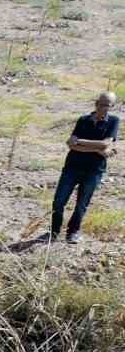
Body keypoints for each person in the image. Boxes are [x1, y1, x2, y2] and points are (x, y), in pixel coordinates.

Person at [51, 91, 119, 245]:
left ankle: (73, 233)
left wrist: (81, 142)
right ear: (96, 103)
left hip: (94, 170)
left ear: (112, 106)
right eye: (101, 104)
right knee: (58, 202)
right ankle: (53, 232)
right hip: (72, 167)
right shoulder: (83, 120)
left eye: (107, 105)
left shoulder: (114, 121)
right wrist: (97, 150)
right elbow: (70, 145)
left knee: (82, 204)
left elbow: (105, 144)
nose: (103, 108)